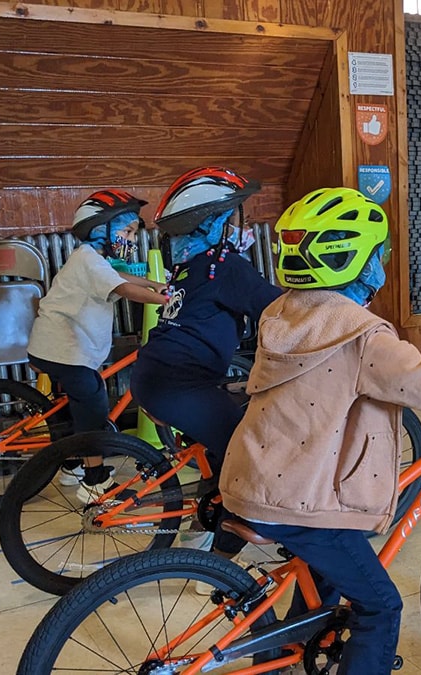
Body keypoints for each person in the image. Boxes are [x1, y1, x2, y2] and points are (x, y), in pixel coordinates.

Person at [219, 187, 421, 674]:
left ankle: (284, 658)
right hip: (300, 498)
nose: (382, 261)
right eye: (379, 252)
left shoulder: (282, 313)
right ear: (359, 263)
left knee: (321, 581)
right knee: (381, 607)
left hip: (253, 476)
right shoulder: (359, 334)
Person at [129, 166, 282, 556]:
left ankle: (199, 532)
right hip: (181, 385)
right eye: (226, 219)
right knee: (245, 456)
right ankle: (222, 562)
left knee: (220, 449)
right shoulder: (228, 268)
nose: (235, 226)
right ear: (209, 224)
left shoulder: (191, 265)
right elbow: (280, 309)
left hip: (156, 374)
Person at [27, 189, 168, 498]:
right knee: (93, 403)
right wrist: (163, 300)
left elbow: (118, 276)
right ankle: (94, 480)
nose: (131, 239)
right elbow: (125, 289)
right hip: (63, 348)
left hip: (61, 346)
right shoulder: (88, 261)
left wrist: (155, 283)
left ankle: (72, 463)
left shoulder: (93, 260)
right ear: (101, 228)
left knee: (76, 406)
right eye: (127, 231)